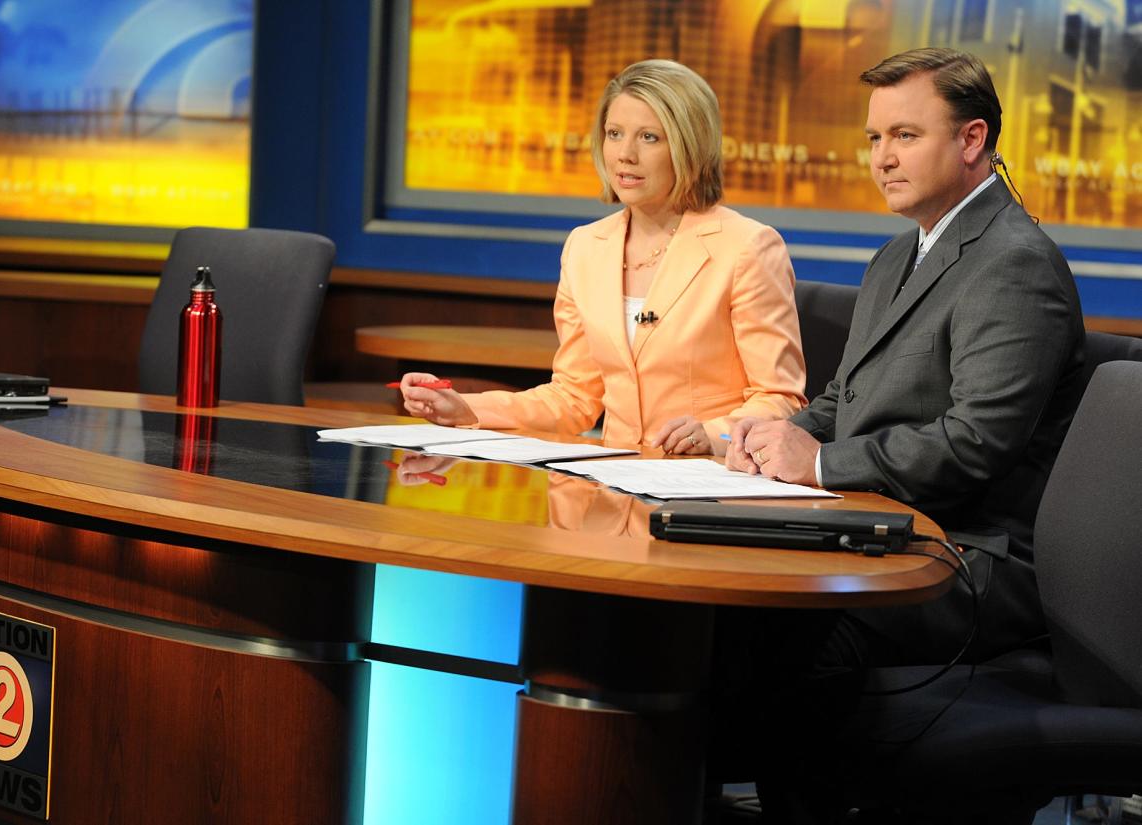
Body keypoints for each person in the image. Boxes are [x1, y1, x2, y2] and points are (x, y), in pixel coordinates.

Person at [727, 47, 1085, 668]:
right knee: (724, 585)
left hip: (967, 556)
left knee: (768, 625)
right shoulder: (895, 255)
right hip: (882, 523)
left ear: (972, 139)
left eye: (905, 135)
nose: (882, 158)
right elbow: (845, 398)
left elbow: (975, 441)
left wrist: (820, 465)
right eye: (874, 137)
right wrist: (772, 437)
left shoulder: (1015, 262)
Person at [401, 59, 805, 453]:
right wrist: (467, 408)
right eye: (614, 134)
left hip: (709, 486)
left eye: (649, 137)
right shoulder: (585, 247)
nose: (625, 154)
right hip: (614, 486)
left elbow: (779, 398)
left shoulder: (747, 247)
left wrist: (715, 434)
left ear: (690, 146)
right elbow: (573, 398)